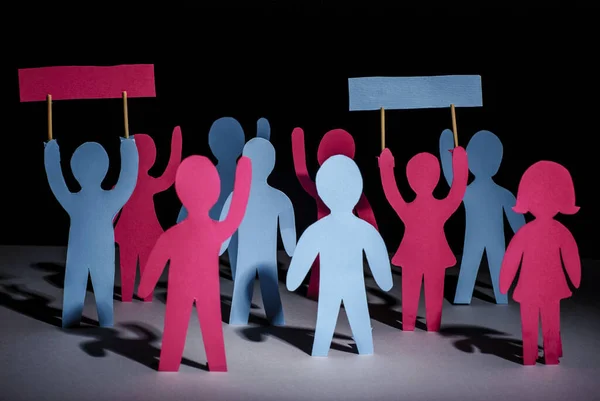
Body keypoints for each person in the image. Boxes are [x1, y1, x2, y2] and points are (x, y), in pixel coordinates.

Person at [138, 155, 252, 372]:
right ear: (215, 192)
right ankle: (217, 364)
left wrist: (145, 288)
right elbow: (236, 214)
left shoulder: (172, 235)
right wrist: (244, 174)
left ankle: (170, 363)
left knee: (175, 323)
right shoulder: (216, 230)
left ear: (180, 192)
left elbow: (156, 261)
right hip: (207, 288)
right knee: (211, 324)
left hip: (180, 288)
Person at [287, 155, 392, 356]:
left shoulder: (318, 229)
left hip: (332, 285)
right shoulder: (364, 229)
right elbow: (379, 261)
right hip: (352, 285)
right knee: (356, 315)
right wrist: (384, 281)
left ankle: (322, 351)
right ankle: (363, 349)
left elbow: (299, 265)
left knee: (331, 316)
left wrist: (294, 279)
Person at [44, 137, 138, 327]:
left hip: (78, 253)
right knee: (101, 289)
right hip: (102, 252)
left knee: (76, 287)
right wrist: (128, 148)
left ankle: (74, 320)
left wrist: (51, 153)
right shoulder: (110, 200)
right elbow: (128, 181)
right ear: (105, 168)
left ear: (74, 170)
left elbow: (57, 183)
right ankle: (102, 322)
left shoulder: (73, 201)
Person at [378, 145, 468, 331]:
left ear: (409, 179)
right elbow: (457, 192)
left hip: (413, 256)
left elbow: (392, 194)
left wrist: (386, 167)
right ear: (437, 178)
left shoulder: (408, 209)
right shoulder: (442, 208)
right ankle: (428, 325)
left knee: (414, 291)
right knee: (431, 291)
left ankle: (411, 324)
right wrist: (460, 163)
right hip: (434, 255)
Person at [500, 161, 580, 365]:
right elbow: (570, 257)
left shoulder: (527, 232)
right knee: (548, 320)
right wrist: (574, 278)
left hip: (535, 287)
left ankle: (537, 355)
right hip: (547, 286)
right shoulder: (558, 231)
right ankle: (546, 355)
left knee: (541, 321)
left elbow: (512, 258)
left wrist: (505, 282)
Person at [291, 127, 378, 300]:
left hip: (335, 240)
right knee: (327, 264)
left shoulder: (326, 190)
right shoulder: (329, 190)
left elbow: (303, 175)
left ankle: (323, 292)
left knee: (333, 264)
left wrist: (297, 144)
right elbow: (369, 219)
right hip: (338, 240)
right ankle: (319, 291)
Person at [439, 129, 525, 304]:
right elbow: (520, 227)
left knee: (486, 266)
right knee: (479, 265)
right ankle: (490, 297)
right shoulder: (500, 194)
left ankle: (491, 296)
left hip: (484, 240)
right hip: (481, 240)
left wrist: (449, 150)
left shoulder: (469, 191)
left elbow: (452, 180)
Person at [220, 138, 296, 325]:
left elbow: (223, 231)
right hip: (266, 258)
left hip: (246, 256)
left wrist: (218, 248)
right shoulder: (281, 198)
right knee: (269, 288)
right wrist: (293, 251)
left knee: (241, 287)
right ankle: (276, 320)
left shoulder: (235, 197)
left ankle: (240, 319)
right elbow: (290, 242)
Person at [114, 127, 182, 302]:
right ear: (152, 158)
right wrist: (176, 145)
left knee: (132, 264)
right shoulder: (130, 184)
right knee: (140, 263)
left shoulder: (123, 185)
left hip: (131, 232)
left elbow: (112, 207)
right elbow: (169, 176)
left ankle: (133, 294)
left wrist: (107, 225)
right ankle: (142, 294)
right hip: (139, 232)